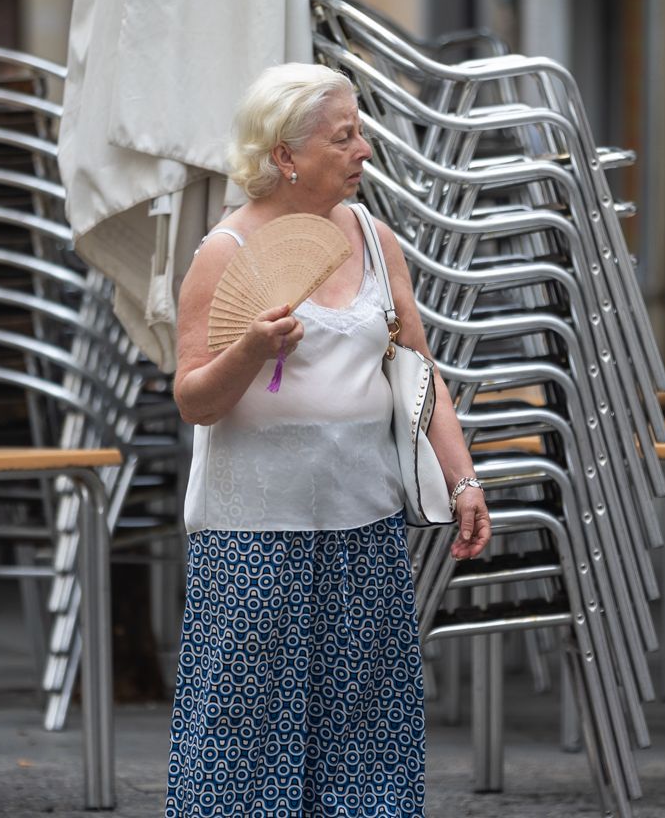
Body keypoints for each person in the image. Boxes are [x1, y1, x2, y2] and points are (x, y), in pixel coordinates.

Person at [166, 62, 491, 817]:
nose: (364, 151)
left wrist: (463, 478)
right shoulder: (226, 252)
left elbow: (418, 371)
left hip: (363, 526)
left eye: (360, 133)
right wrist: (250, 350)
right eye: (344, 137)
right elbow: (194, 401)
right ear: (285, 155)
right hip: (254, 535)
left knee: (366, 729)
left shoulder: (375, 240)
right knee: (242, 733)